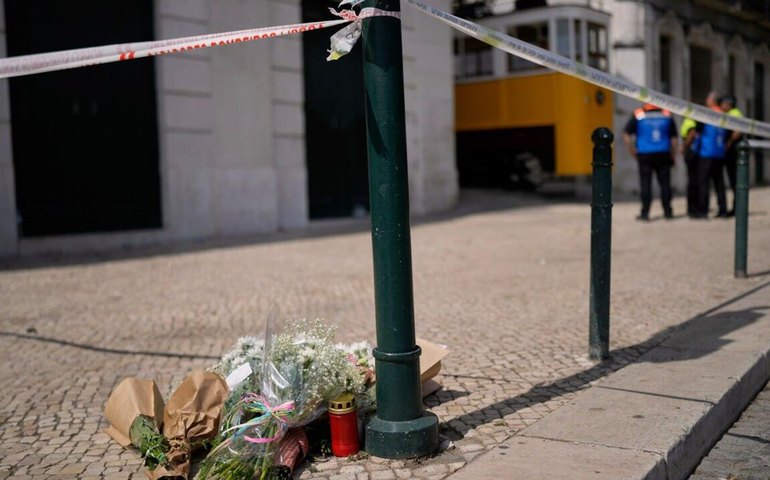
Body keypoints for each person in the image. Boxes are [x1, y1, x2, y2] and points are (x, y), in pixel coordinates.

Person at [623, 102, 678, 221]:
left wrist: (632, 150)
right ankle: (668, 212)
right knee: (665, 184)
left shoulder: (638, 114)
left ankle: (645, 213)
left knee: (645, 184)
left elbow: (626, 134)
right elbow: (673, 138)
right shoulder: (667, 114)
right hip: (663, 153)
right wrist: (673, 155)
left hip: (644, 154)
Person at [687, 91, 729, 218]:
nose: (706, 100)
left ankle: (703, 211)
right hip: (719, 153)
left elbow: (697, 132)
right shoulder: (724, 115)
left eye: (708, 98)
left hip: (706, 153)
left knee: (703, 183)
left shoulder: (706, 114)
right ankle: (723, 210)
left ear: (712, 101)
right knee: (719, 184)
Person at [719, 94, 744, 216]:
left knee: (736, 182)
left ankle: (738, 209)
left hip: (734, 152)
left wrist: (728, 144)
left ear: (729, 104)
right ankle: (737, 208)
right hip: (732, 152)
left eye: (723, 104)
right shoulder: (733, 113)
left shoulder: (734, 113)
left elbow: (737, 132)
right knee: (734, 181)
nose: (722, 106)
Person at [680, 115, 699, 217]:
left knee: (692, 181)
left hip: (691, 152)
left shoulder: (690, 120)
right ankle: (693, 207)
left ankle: (692, 208)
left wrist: (684, 146)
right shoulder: (691, 119)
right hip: (693, 152)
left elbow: (691, 134)